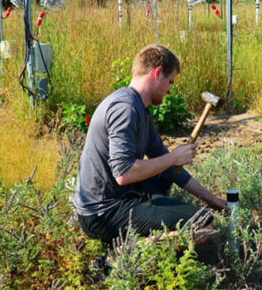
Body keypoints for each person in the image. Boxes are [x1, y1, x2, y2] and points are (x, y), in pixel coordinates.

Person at [73, 44, 228, 244]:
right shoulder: (125, 108)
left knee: (167, 174)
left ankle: (149, 222)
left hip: (122, 197)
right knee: (203, 226)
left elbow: (171, 168)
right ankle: (126, 255)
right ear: (156, 73)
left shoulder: (140, 109)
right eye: (170, 82)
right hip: (102, 213)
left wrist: (212, 200)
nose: (170, 90)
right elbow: (123, 173)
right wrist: (173, 157)